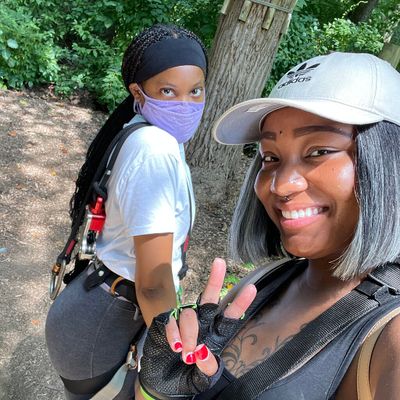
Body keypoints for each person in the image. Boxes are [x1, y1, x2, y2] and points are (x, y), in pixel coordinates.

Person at [137, 52, 400, 400]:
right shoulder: (261, 283)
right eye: (271, 157)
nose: (280, 184)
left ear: (388, 161)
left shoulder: (391, 336)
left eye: (319, 151)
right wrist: (158, 391)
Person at [45, 23, 208, 399]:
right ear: (138, 91)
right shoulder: (155, 148)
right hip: (104, 325)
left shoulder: (149, 132)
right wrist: (174, 360)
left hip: (100, 307)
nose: (185, 104)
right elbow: (152, 283)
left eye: (195, 90)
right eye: (168, 91)